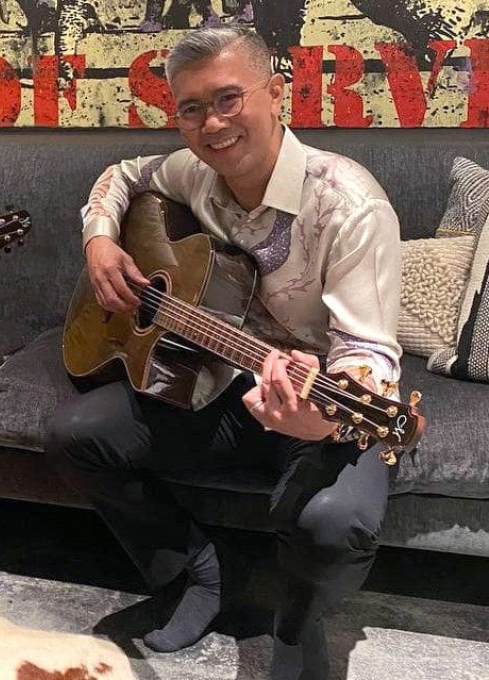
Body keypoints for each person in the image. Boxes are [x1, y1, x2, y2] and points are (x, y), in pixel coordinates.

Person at [45, 26, 402, 680]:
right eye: (192, 108)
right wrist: (99, 241)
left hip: (322, 402)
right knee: (74, 434)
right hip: (219, 384)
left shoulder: (349, 205)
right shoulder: (196, 174)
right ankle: (196, 573)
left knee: (334, 523)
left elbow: (367, 355)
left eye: (228, 99)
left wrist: (319, 418)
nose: (212, 124)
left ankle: (295, 621)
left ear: (277, 92)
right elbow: (122, 175)